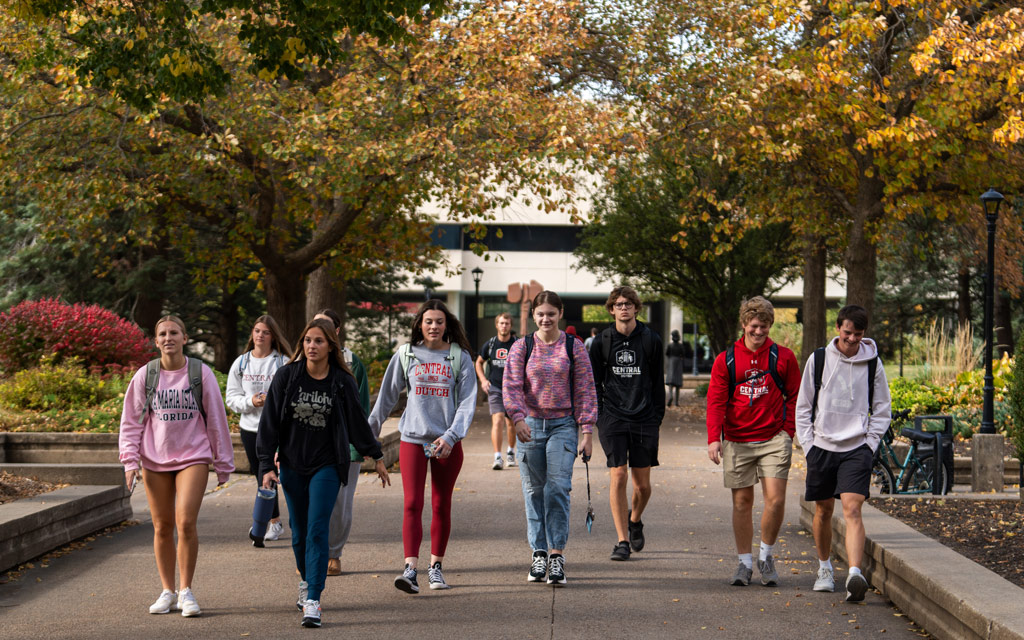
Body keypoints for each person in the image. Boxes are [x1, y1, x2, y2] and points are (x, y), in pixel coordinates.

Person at [257, 318, 390, 628]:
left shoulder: (341, 381)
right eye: (307, 341)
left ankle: (314, 599)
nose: (312, 346)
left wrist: (377, 455)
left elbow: (358, 421)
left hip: (327, 465)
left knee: (318, 529)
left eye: (318, 341)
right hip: (292, 465)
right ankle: (307, 581)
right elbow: (269, 424)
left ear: (331, 345)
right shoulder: (287, 377)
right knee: (299, 533)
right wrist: (266, 466)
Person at [119, 315, 235, 618]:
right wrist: (130, 461)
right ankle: (168, 591)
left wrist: (223, 463)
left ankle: (186, 591)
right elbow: (131, 423)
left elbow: (216, 421)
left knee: (185, 523)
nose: (168, 338)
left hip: (193, 457)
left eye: (174, 333)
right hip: (154, 458)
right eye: (162, 334)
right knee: (161, 526)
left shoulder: (200, 373)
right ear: (156, 341)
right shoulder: (146, 375)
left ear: (185, 338)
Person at [368, 299, 477, 594]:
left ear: (446, 325)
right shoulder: (406, 354)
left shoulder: (459, 357)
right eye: (428, 321)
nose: (433, 326)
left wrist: (452, 436)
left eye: (439, 322)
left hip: (446, 443)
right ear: (419, 324)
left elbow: (468, 403)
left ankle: (436, 568)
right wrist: (368, 435)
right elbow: (386, 399)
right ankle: (410, 569)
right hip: (413, 440)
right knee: (412, 503)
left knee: (441, 504)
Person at [795, 305, 891, 601]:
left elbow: (882, 409)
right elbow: (803, 406)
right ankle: (824, 568)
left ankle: (854, 574)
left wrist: (869, 444)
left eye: (858, 334)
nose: (851, 339)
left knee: (852, 509)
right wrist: (809, 447)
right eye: (847, 332)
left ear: (864, 334)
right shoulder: (819, 359)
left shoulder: (872, 362)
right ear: (838, 327)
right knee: (823, 510)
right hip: (821, 447)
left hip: (856, 449)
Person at [503, 290, 597, 586]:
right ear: (534, 315)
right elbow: (511, 385)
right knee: (533, 490)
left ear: (560, 314)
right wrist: (517, 418)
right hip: (530, 425)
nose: (546, 319)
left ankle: (556, 555)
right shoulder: (522, 346)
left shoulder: (574, 347)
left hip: (563, 426)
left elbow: (585, 388)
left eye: (551, 314)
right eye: (540, 314)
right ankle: (539, 552)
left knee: (557, 487)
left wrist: (587, 431)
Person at [706, 296, 800, 587]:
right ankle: (744, 563)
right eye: (754, 326)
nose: (759, 332)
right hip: (737, 439)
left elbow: (796, 396)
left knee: (776, 499)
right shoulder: (727, 359)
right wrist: (714, 438)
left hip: (774, 438)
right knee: (742, 502)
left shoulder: (783, 357)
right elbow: (716, 400)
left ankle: (766, 555)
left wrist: (788, 431)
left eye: (765, 327)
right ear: (744, 325)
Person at [588, 286, 665, 561]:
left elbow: (658, 381)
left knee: (642, 486)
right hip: (613, 417)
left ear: (636, 308)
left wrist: (656, 416)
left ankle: (635, 519)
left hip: (645, 417)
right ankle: (622, 540)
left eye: (628, 304)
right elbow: (594, 382)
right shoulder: (602, 342)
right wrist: (599, 415)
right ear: (611, 309)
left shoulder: (650, 339)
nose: (624, 308)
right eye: (619, 304)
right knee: (618, 474)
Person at [313, 308, 372, 577]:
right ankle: (314, 551)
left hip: (344, 445)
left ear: (337, 331)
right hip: (310, 445)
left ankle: (334, 553)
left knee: (340, 503)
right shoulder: (301, 361)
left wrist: (361, 445)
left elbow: (360, 409)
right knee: (310, 501)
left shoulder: (352, 362)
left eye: (325, 326)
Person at [226, 314, 292, 545]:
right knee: (261, 476)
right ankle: (272, 521)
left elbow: (292, 394)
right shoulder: (242, 363)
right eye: (256, 331)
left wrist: (275, 404)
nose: (260, 335)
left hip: (277, 429)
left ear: (273, 336)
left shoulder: (282, 362)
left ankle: (279, 521)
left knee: (277, 475)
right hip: (250, 429)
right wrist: (250, 402)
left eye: (265, 332)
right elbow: (231, 397)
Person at [475, 312, 517, 470]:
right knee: (498, 420)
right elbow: (479, 362)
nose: (504, 326)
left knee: (511, 423)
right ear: (496, 325)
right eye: (501, 323)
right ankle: (498, 457)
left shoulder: (517, 344)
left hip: (513, 390)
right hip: (495, 388)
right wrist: (483, 380)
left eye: (506, 323)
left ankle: (511, 452)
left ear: (510, 325)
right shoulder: (491, 344)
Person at [665, 330, 685, 407]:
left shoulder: (670, 345)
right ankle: (676, 402)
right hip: (678, 363)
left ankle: (670, 396)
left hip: (671, 362)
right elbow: (683, 354)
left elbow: (667, 353)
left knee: (671, 381)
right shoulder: (681, 346)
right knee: (677, 383)